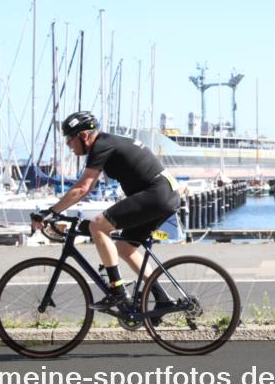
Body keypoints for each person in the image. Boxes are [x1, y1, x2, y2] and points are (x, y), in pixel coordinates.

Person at [31, 111, 181, 311]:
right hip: (165, 194)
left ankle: (118, 292)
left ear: (84, 136)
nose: (68, 145)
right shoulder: (108, 142)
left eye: (69, 139)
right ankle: (163, 299)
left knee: (98, 226)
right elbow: (86, 188)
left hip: (156, 194)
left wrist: (51, 212)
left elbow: (83, 188)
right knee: (125, 249)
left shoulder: (101, 145)